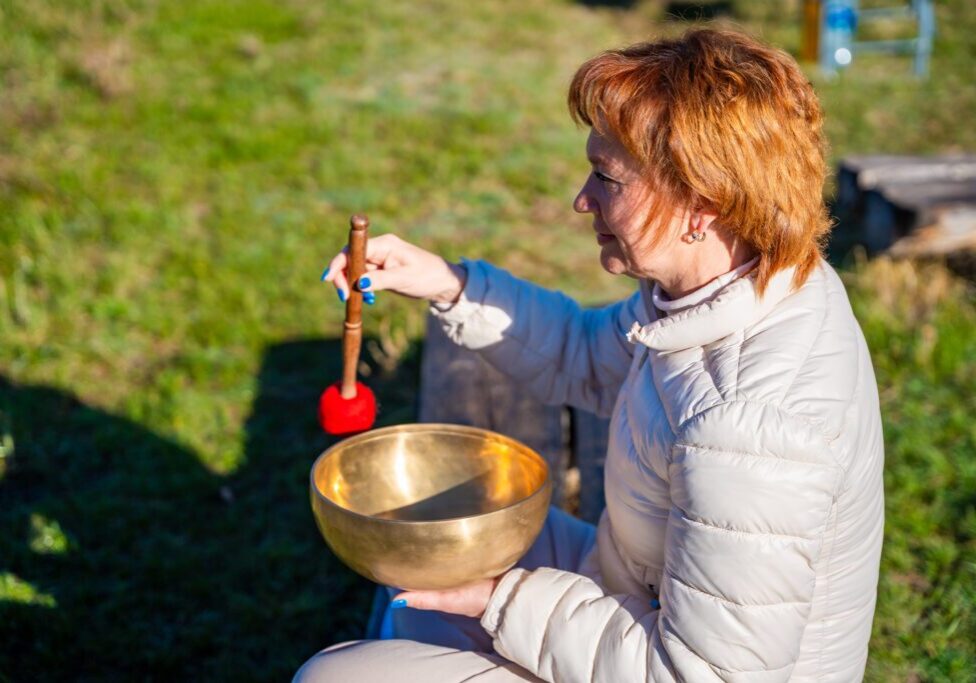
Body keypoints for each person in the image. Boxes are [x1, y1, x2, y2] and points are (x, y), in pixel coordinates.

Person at [300, 27, 884, 682]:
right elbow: (586, 353)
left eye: (608, 178)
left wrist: (501, 602)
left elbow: (708, 675)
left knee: (333, 676)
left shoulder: (752, 428)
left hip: (677, 660)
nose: (583, 199)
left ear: (702, 205)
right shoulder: (731, 286)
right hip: (636, 583)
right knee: (419, 558)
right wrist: (448, 283)